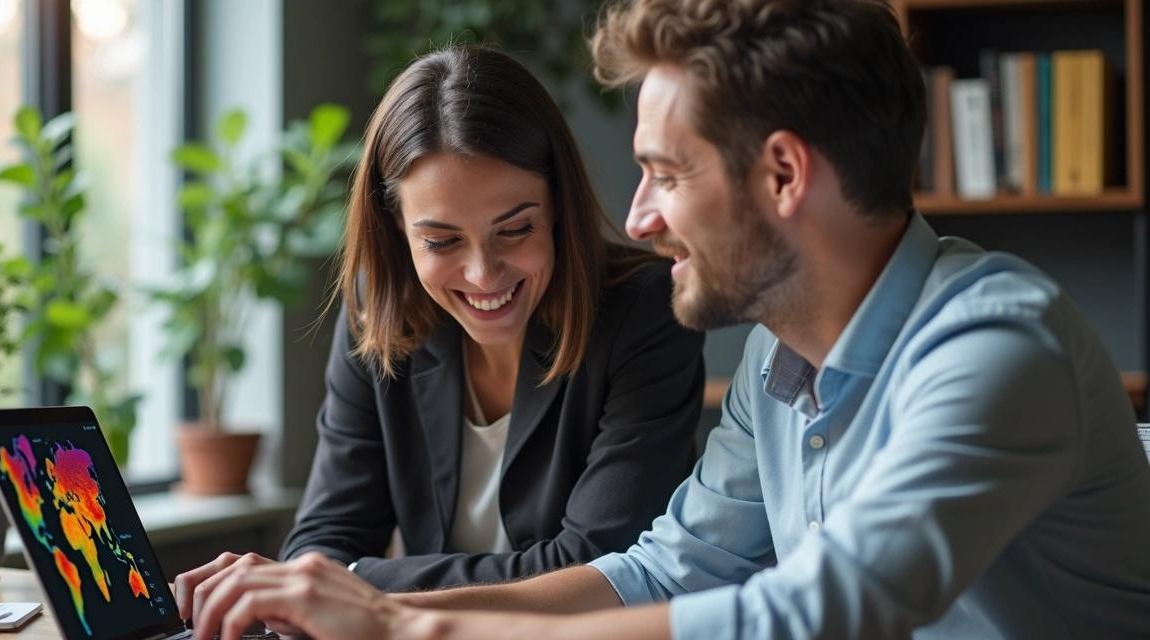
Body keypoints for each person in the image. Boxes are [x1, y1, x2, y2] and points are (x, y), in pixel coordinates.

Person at [181, 1, 1150, 639]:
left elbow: (818, 610)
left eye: (663, 172)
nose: (637, 218)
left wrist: (402, 625)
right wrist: (358, 600)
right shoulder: (779, 365)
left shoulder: (993, 345)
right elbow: (660, 571)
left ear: (780, 174)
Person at [174, 45, 706, 596]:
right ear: (397, 230)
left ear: (558, 207)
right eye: (441, 240)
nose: (483, 274)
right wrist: (326, 578)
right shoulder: (376, 310)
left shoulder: (646, 308)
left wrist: (354, 583)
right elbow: (326, 536)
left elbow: (599, 564)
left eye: (516, 230)